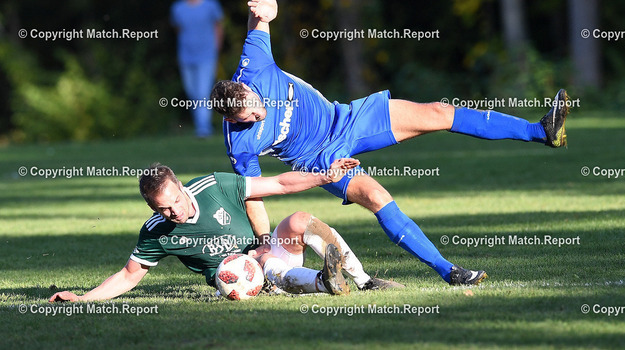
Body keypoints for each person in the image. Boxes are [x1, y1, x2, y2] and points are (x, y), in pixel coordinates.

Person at [210, 0, 572, 286]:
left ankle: (542, 131)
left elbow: (261, 10)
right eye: (249, 118)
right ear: (230, 119)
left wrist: (266, 3)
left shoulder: (254, 66)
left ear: (247, 87)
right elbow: (254, 192)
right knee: (377, 197)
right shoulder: (239, 143)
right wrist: (263, 242)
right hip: (318, 160)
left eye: (256, 106)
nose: (259, 115)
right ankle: (449, 271)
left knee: (438, 112)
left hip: (345, 117)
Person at [49, 160, 401, 302]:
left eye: (176, 201)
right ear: (152, 208)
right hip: (240, 278)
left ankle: (363, 281)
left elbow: (278, 183)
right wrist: (83, 299)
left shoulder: (215, 186)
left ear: (180, 186)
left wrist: (323, 176)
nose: (174, 212)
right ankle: (325, 283)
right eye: (163, 209)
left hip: (266, 250)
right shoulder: (156, 232)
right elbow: (129, 276)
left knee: (299, 219)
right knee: (265, 267)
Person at [171, 0, 224, 138]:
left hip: (207, 55)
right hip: (186, 57)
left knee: (202, 92)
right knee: (192, 93)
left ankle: (203, 129)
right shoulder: (177, 8)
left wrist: (216, 48)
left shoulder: (211, 5)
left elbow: (218, 27)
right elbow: (178, 29)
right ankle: (201, 125)